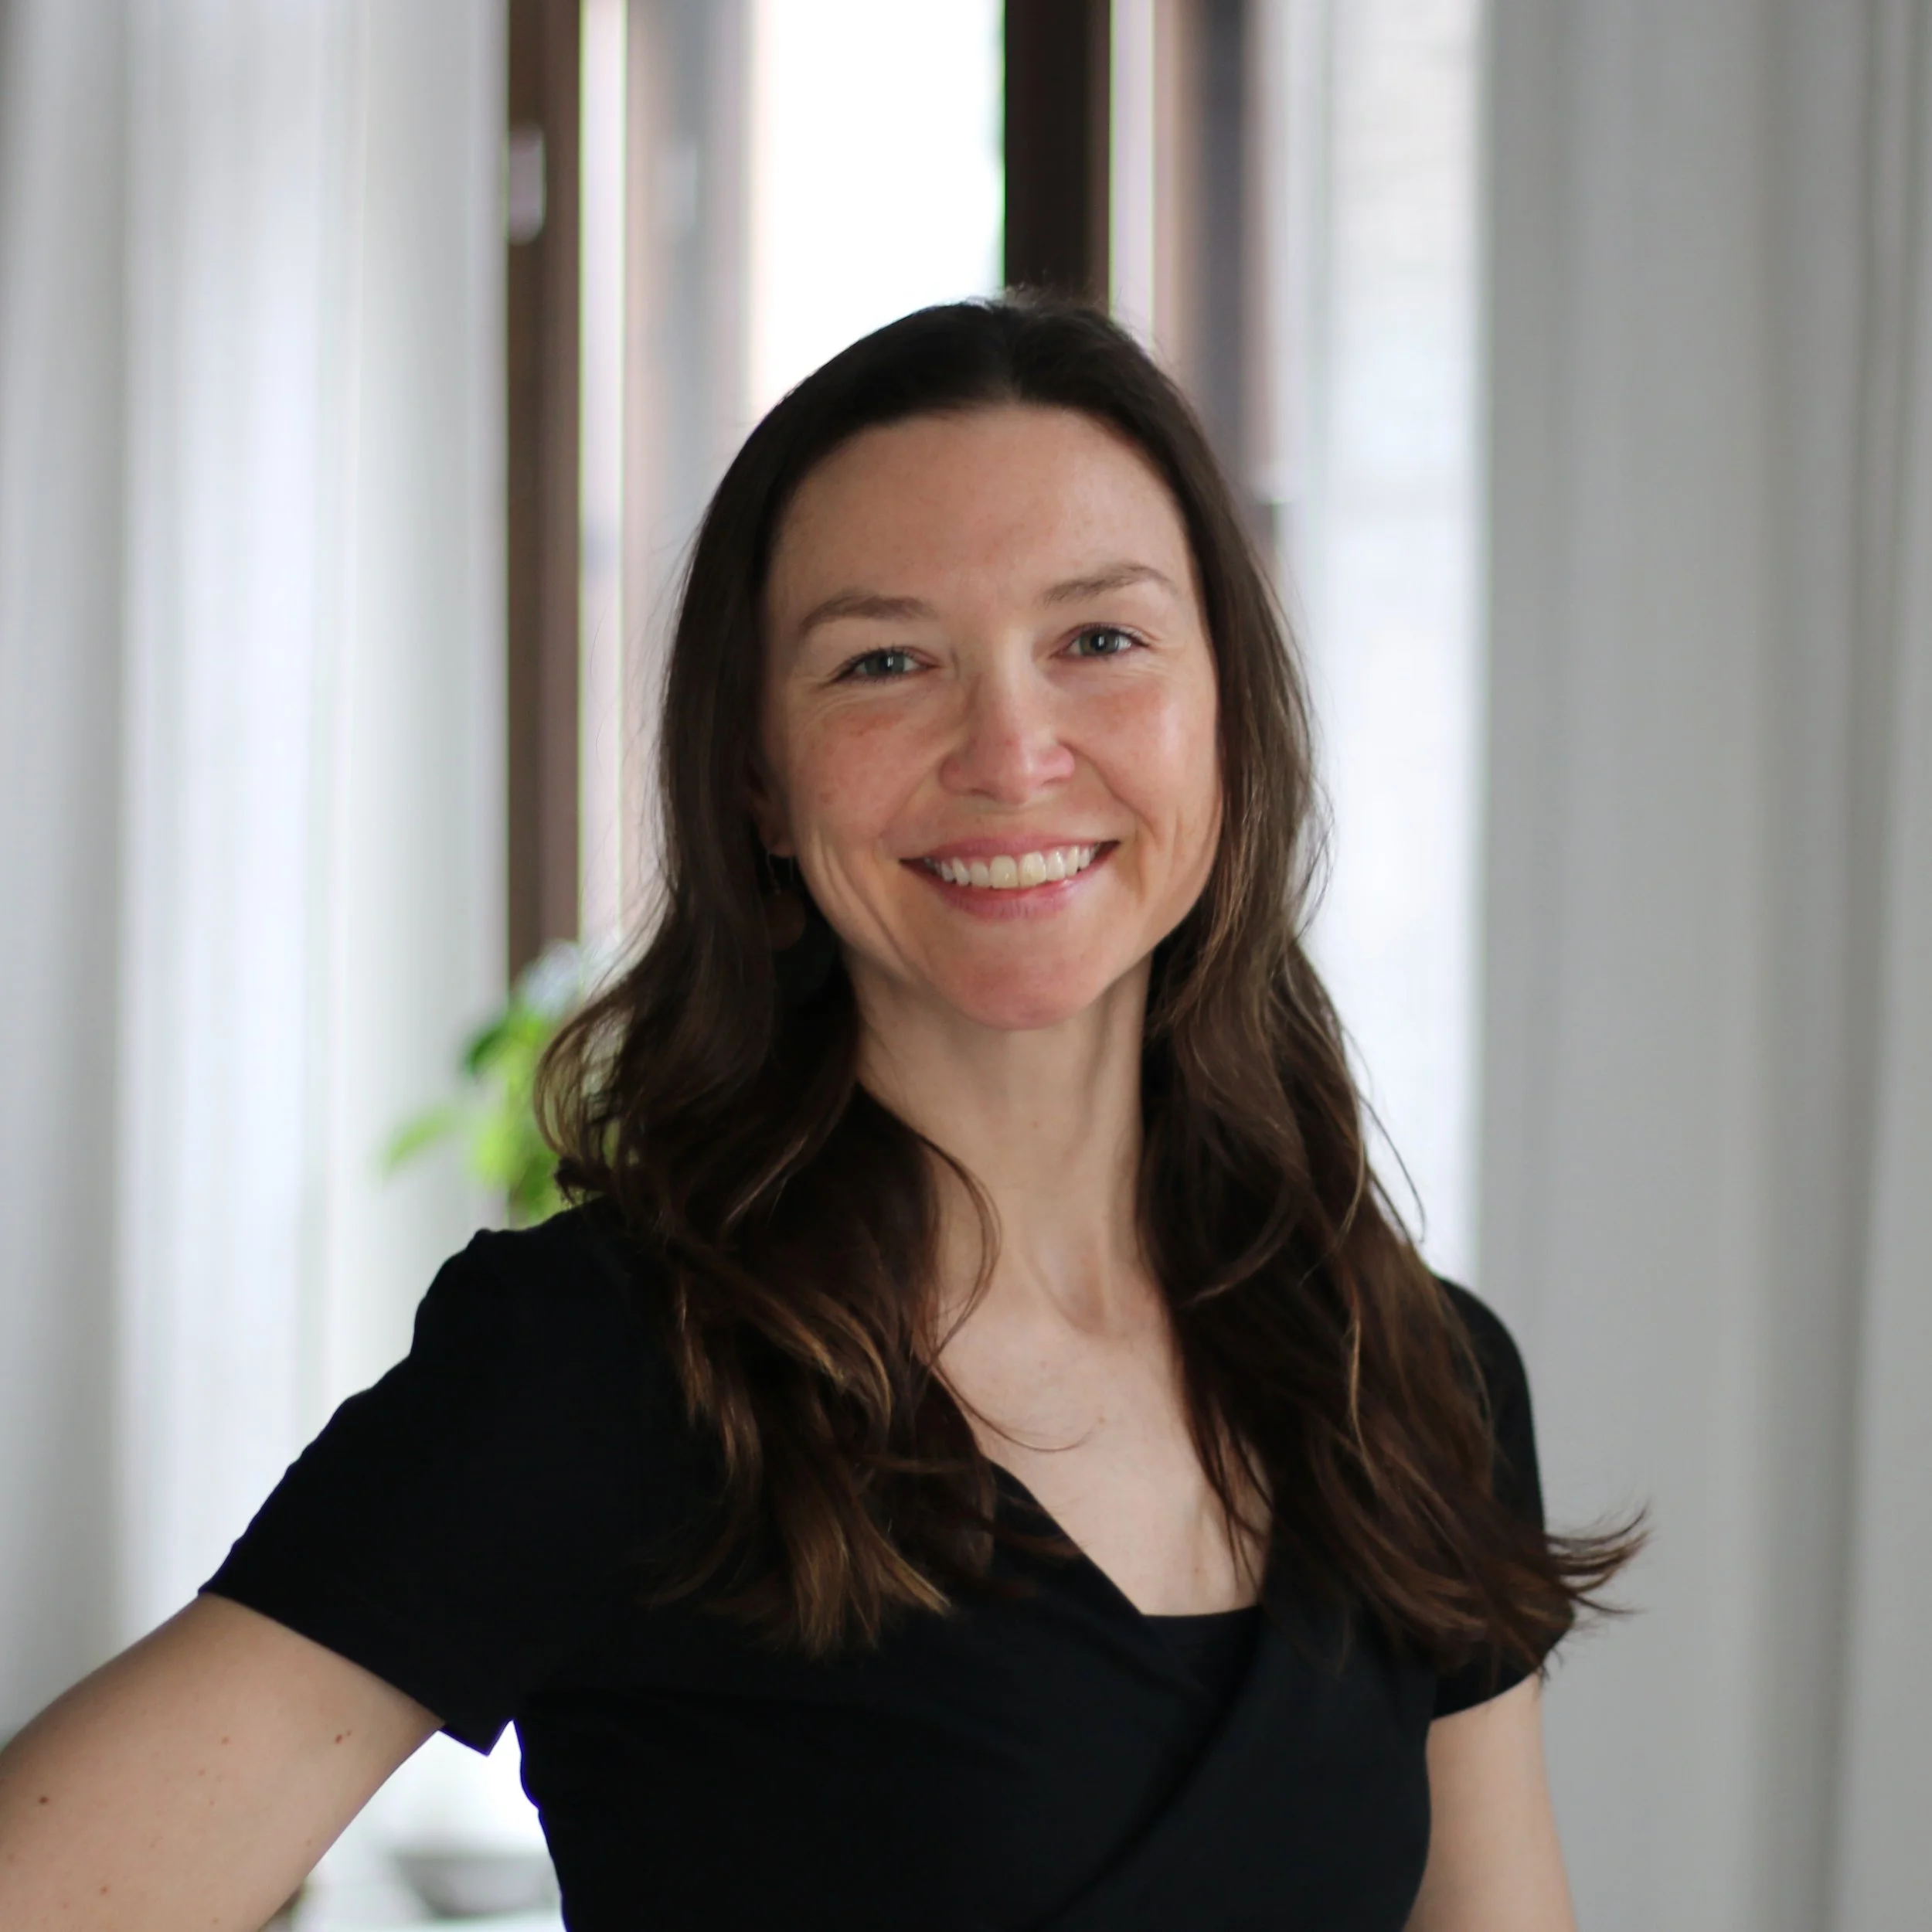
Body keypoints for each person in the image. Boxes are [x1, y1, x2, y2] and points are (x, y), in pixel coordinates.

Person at [0, 297, 1635, 1931]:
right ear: (757, 786)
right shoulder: (610, 1362)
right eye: (884, 661)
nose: (1009, 749)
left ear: (1226, 714)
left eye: (1098, 640)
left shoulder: (1410, 1368)